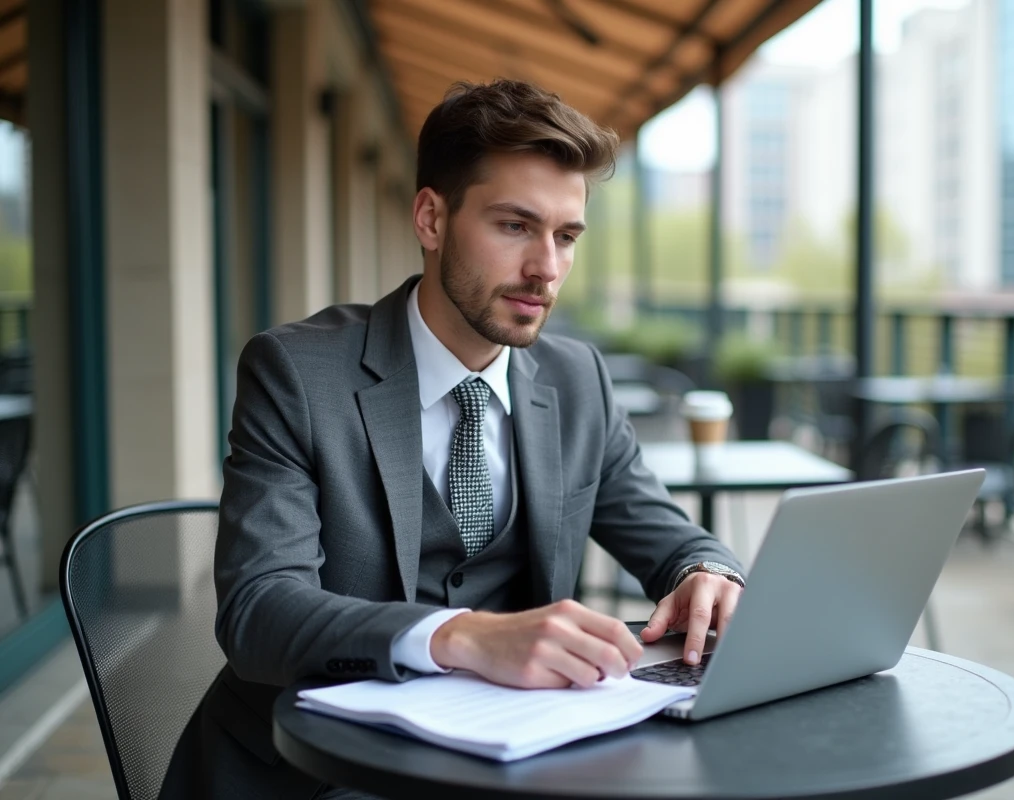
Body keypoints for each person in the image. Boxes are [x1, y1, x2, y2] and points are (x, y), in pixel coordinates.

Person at [164, 79, 744, 800]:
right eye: (515, 226)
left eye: (566, 236)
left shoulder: (577, 380)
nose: (547, 268)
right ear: (431, 219)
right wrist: (459, 635)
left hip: (515, 765)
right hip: (317, 771)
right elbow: (258, 610)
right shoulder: (297, 372)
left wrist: (706, 572)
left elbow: (666, 533)